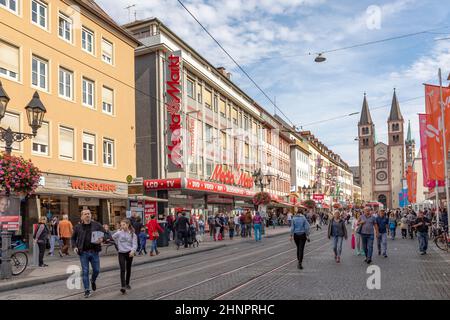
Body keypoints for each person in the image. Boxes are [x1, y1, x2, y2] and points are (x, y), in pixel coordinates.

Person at [71, 209, 105, 298]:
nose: (87, 215)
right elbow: (73, 238)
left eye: (88, 214)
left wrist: (102, 239)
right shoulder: (78, 227)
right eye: (85, 214)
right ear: (82, 216)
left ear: (91, 215)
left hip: (94, 252)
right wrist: (74, 247)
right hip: (83, 253)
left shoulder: (97, 225)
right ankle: (87, 290)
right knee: (85, 271)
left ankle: (93, 280)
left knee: (96, 270)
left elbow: (106, 234)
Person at [112, 219, 137, 294]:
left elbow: (135, 244)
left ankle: (127, 283)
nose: (122, 226)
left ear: (128, 224)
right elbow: (112, 237)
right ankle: (123, 286)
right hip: (121, 253)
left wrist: (133, 251)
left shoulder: (133, 234)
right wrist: (117, 243)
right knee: (122, 269)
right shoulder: (119, 233)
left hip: (129, 253)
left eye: (124, 225)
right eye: (121, 225)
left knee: (128, 268)